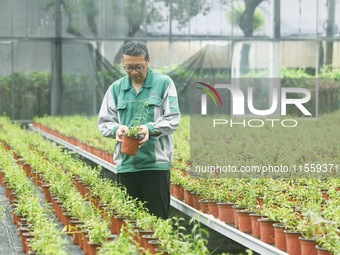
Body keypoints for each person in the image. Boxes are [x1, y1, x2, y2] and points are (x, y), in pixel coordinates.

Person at [97, 41, 181, 219]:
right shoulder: (116, 88)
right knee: (129, 221)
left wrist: (150, 128)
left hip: (156, 165)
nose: (134, 72)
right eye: (129, 68)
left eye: (139, 67)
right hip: (127, 165)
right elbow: (105, 121)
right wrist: (117, 129)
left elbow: (173, 119)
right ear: (123, 63)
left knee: (157, 220)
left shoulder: (164, 83)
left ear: (148, 61)